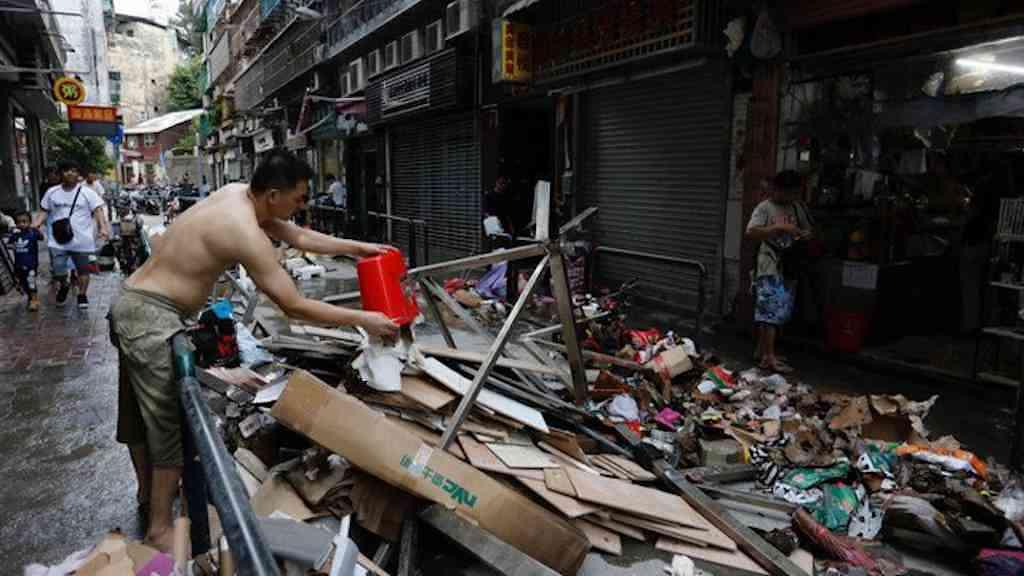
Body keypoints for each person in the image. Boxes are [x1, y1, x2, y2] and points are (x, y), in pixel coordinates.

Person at [109, 149, 398, 553]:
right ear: (274, 195)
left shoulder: (237, 194)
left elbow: (299, 237)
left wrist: (360, 248)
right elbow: (293, 305)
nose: (303, 206)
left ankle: (146, 494)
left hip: (132, 304)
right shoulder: (243, 231)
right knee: (167, 423)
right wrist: (365, 319)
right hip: (150, 318)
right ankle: (158, 527)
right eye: (299, 198)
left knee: (137, 415)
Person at [745, 170, 812, 373]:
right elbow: (751, 231)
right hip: (768, 264)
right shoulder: (764, 208)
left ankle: (762, 351)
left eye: (793, 192)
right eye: (786, 191)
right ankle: (769, 357)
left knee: (779, 310)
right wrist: (778, 228)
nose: (789, 196)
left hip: (789, 264)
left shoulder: (797, 207)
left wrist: (799, 234)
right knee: (770, 311)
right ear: (776, 189)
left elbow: (808, 232)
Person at [35, 161, 111, 309]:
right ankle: (64, 284)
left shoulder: (87, 192)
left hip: (82, 240)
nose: (70, 173)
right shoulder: (52, 192)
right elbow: (44, 210)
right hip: (58, 240)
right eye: (66, 170)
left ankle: (82, 295)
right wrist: (36, 223)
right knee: (58, 271)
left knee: (83, 270)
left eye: (74, 170)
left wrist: (103, 227)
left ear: (78, 174)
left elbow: (98, 210)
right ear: (60, 174)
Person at [11, 211, 44, 311]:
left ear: (29, 222)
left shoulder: (33, 233)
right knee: (23, 283)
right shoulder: (15, 235)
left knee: (31, 281)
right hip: (19, 265)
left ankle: (34, 301)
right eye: (19, 222)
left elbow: (41, 237)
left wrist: (37, 229)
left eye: (24, 221)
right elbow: (10, 244)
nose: (21, 224)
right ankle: (30, 296)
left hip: (31, 264)